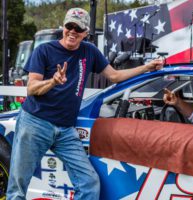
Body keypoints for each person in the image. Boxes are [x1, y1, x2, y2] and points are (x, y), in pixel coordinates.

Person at [7, 8, 163, 200]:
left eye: (78, 28)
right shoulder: (44, 50)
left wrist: (147, 67)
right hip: (35, 124)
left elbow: (114, 76)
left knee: (89, 184)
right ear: (63, 27)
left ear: (85, 33)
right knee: (18, 187)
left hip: (65, 129)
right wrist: (53, 81)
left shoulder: (89, 51)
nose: (72, 31)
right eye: (69, 26)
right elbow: (31, 88)